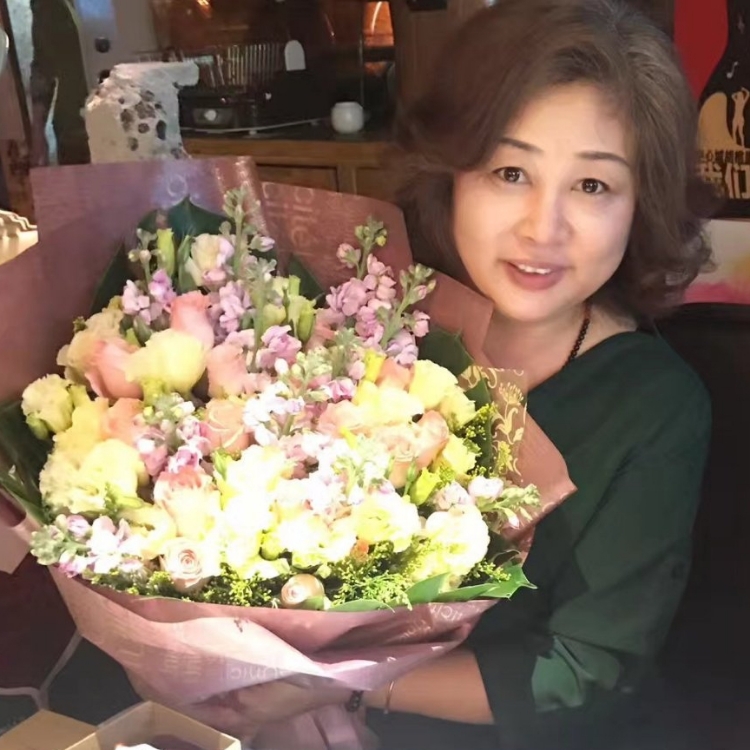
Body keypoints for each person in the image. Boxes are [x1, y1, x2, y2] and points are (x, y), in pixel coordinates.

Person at [189, 1, 715, 748]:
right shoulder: (364, 324)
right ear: (452, 173)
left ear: (642, 204)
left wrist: (338, 686)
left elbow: (584, 669)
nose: (543, 227)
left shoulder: (654, 406)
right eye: (510, 172)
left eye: (593, 186)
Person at [29, 0, 90, 166]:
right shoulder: (47, 5)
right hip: (75, 130)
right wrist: (38, 132)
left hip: (135, 120)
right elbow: (43, 66)